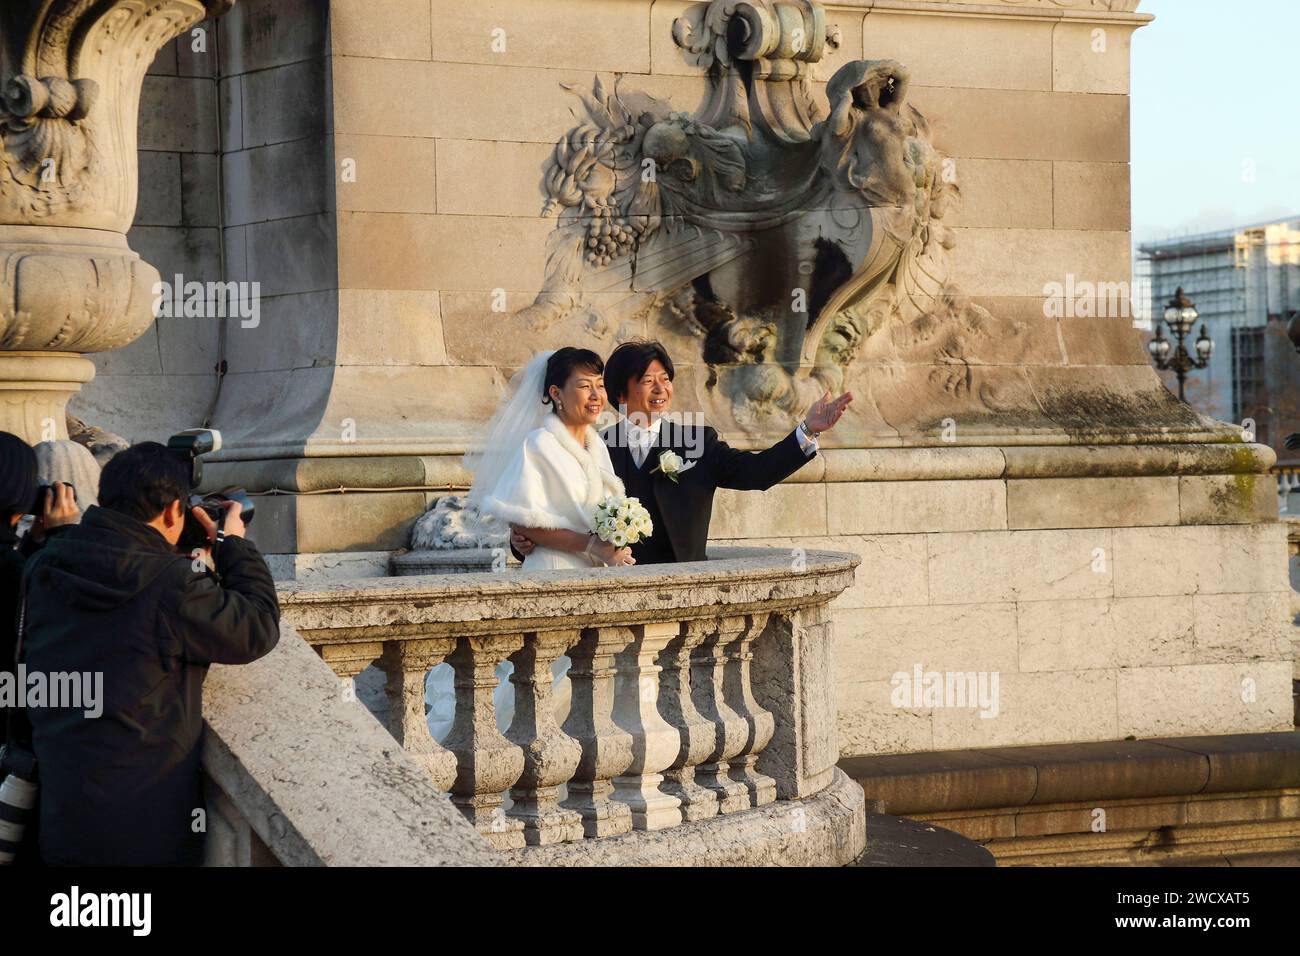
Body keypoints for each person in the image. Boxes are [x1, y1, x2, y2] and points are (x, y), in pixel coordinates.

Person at [22, 441, 280, 866]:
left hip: (61, 811)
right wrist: (234, 544)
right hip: (145, 819)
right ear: (174, 511)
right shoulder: (172, 584)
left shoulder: (45, 564)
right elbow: (256, 628)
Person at [514, 340, 853, 564]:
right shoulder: (593, 447)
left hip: (685, 594)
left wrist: (806, 431)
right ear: (620, 393)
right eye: (648, 380)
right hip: (613, 593)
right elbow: (558, 515)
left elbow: (757, 473)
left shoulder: (699, 442)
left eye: (665, 379)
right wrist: (522, 542)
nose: (661, 388)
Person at [467, 347, 634, 570]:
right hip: (554, 570)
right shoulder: (540, 444)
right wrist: (592, 545)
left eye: (600, 385)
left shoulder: (598, 447)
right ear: (556, 394)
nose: (596, 395)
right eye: (585, 386)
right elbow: (522, 520)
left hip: (597, 570)